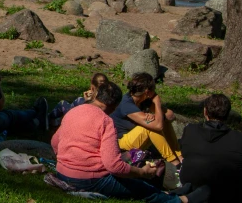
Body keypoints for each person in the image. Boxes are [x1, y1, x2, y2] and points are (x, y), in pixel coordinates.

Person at [51, 81, 196, 203]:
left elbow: (54, 142)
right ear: (114, 107)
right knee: (140, 189)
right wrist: (141, 172)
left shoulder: (73, 112)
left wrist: (67, 160)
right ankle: (180, 200)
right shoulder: (105, 120)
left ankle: (170, 194)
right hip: (89, 179)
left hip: (62, 173)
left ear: (96, 95)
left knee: (138, 183)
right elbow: (114, 166)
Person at [180, 93, 242, 202]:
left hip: (190, 186)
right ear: (228, 114)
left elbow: (185, 153)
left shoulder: (190, 130)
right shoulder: (239, 138)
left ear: (205, 112)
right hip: (227, 192)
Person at [111, 73, 182, 167]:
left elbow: (171, 115)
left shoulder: (143, 100)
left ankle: (178, 155)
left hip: (135, 139)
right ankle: (173, 162)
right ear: (147, 92)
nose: (155, 93)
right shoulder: (127, 105)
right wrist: (157, 102)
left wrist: (157, 117)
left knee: (161, 121)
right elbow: (158, 126)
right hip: (121, 144)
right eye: (154, 90)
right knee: (149, 128)